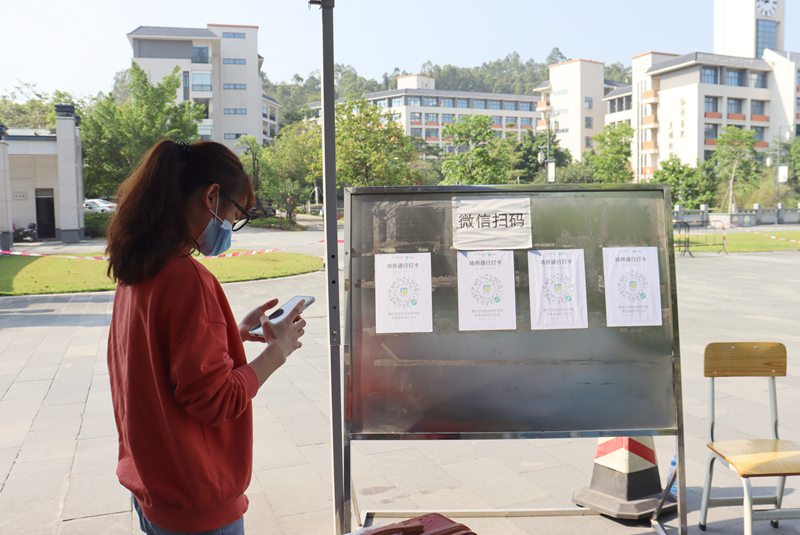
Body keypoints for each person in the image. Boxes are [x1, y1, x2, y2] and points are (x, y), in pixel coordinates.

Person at [105, 140, 306, 534]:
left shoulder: (137, 268)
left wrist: (232, 333)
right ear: (212, 196)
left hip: (152, 488)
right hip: (195, 502)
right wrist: (277, 351)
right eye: (234, 215)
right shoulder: (187, 279)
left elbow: (158, 359)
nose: (229, 229)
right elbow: (214, 399)